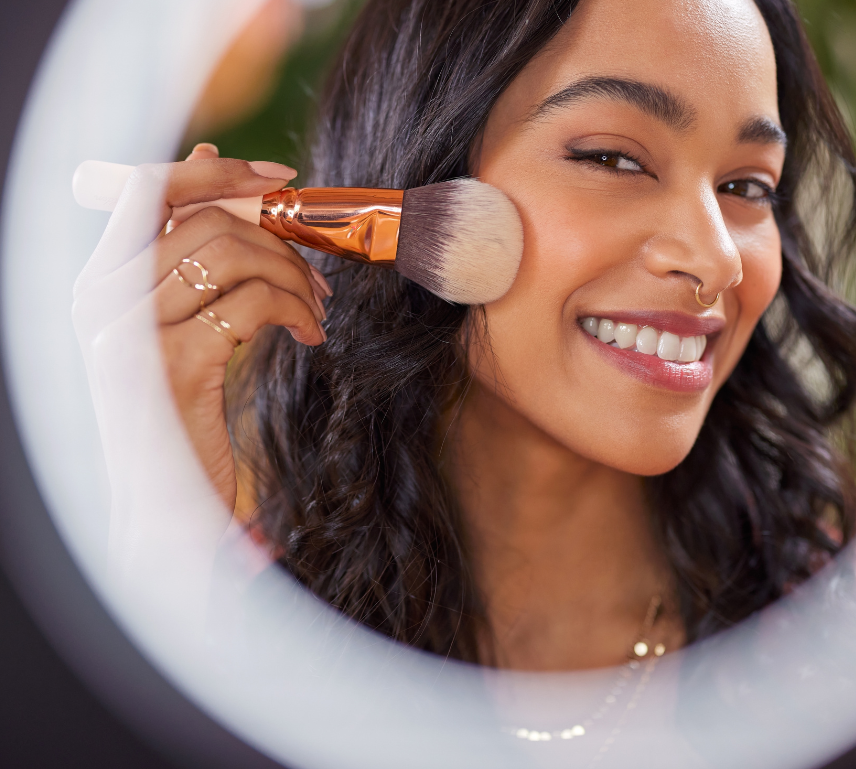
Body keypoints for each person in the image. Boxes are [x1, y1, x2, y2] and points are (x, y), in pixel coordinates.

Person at [142, 0, 856, 672]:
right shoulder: (233, 617)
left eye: (747, 187)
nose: (718, 261)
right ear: (421, 171)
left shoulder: (822, 630)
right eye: (612, 158)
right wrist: (161, 538)